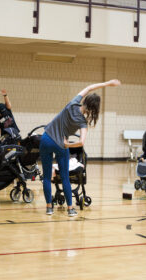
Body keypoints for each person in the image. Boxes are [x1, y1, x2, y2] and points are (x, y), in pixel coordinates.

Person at [41, 79, 121, 216]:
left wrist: (107, 83)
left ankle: (49, 207)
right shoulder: (82, 122)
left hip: (46, 138)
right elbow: (81, 142)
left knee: (47, 177)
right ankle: (70, 209)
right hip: (61, 144)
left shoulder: (72, 103)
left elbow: (89, 87)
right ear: (93, 109)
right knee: (65, 178)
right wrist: (69, 145)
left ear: (85, 101)